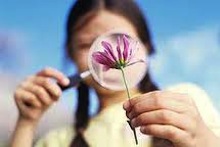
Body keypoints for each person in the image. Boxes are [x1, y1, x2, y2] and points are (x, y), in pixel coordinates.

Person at [10, 0, 220, 147]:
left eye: (119, 40)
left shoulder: (184, 101)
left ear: (146, 48)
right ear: (70, 54)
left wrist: (202, 140)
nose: (104, 52)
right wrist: (26, 124)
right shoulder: (58, 140)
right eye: (85, 44)